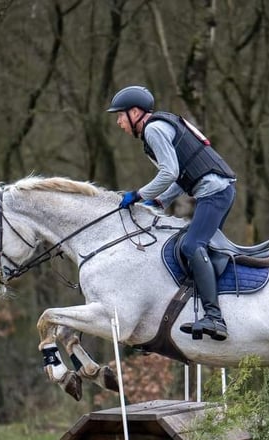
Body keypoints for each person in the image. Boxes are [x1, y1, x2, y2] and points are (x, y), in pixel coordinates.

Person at [107, 85, 236, 341]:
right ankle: (210, 306)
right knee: (197, 247)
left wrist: (138, 194)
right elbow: (182, 176)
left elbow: (169, 173)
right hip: (217, 190)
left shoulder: (154, 129)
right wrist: (159, 200)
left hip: (215, 192)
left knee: (191, 246)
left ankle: (215, 317)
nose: (119, 122)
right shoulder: (158, 128)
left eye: (120, 115)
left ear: (135, 112)